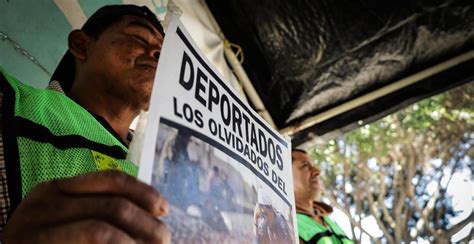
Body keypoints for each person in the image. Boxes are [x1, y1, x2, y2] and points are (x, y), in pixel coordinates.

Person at [0, 5, 171, 243]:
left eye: (164, 53)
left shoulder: (162, 168)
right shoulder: (9, 101)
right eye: (139, 38)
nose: (156, 54)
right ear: (81, 45)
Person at [292, 149, 353, 244]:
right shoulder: (283, 225)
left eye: (313, 166)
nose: (317, 171)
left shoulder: (328, 220)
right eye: (305, 166)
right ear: (284, 175)